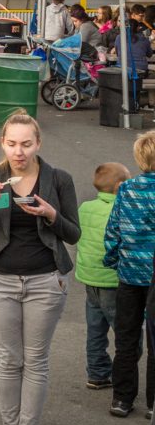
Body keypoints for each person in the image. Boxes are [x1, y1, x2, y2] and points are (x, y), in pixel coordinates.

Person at [0, 112, 80, 425]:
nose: (19, 152)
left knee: (35, 359)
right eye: (13, 144)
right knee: (7, 358)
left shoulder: (57, 180)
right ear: (3, 142)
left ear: (38, 144)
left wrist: (49, 214)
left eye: (26, 144)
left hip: (45, 279)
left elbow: (73, 233)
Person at [104, 130, 155, 420]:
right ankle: (152, 403)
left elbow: (114, 230)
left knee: (125, 338)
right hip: (154, 275)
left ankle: (122, 399)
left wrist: (113, 259)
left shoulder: (127, 189)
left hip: (129, 274)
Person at [74, 162, 130, 393]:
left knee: (95, 330)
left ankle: (97, 373)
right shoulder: (123, 209)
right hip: (112, 280)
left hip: (89, 278)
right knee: (125, 331)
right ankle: (123, 371)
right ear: (119, 186)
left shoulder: (85, 208)